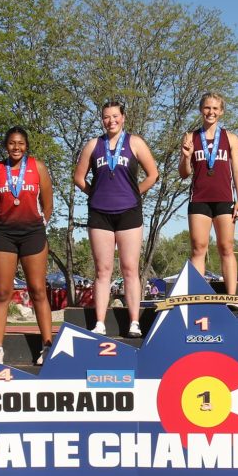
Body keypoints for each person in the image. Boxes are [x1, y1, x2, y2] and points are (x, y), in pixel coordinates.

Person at [73, 101, 158, 338]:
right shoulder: (93, 145)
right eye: (106, 117)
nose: (111, 121)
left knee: (130, 269)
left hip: (129, 212)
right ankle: (99, 322)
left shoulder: (135, 142)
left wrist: (135, 193)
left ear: (123, 117)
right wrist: (95, 193)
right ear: (102, 119)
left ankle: (134, 322)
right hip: (100, 214)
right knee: (103, 270)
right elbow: (79, 178)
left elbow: (153, 174)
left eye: (115, 116)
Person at [0, 126, 54, 365]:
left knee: (38, 290)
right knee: (3, 292)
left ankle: (47, 346)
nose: (16, 147)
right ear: (6, 145)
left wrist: (39, 223)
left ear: (26, 146)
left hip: (33, 234)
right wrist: (5, 223)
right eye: (12, 143)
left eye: (21, 143)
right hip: (3, 235)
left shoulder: (38, 167)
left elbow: (48, 204)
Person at [179, 92, 238, 296]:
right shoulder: (191, 137)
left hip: (225, 199)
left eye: (215, 108)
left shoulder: (230, 138)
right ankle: (197, 296)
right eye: (207, 108)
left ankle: (232, 297)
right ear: (201, 110)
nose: (211, 112)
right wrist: (185, 156)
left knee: (226, 247)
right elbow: (183, 173)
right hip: (199, 199)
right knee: (199, 249)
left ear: (221, 112)